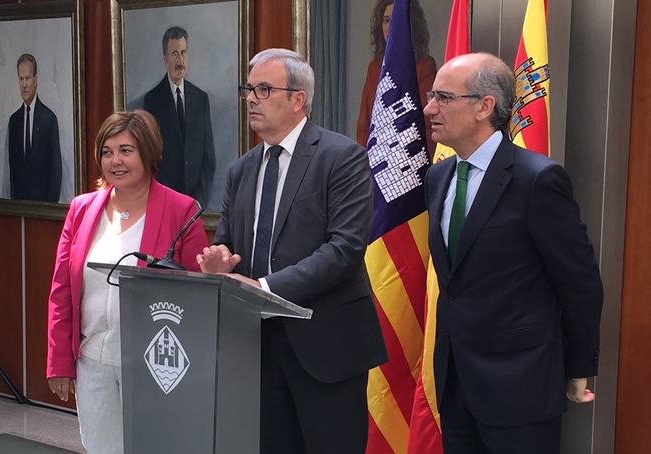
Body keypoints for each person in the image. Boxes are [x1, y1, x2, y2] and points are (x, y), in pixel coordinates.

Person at [197, 48, 388, 454]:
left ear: (298, 99)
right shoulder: (241, 169)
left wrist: (263, 287)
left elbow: (345, 249)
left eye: (264, 89)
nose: (251, 98)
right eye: (249, 88)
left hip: (326, 349)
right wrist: (219, 259)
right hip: (257, 349)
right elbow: (229, 242)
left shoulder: (341, 158)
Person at [423, 52, 604, 453]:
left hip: (520, 387)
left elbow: (580, 284)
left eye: (443, 97)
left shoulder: (538, 179)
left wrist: (578, 368)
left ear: (484, 107)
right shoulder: (438, 176)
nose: (429, 107)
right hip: (455, 383)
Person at [46, 110, 209, 454]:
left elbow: (200, 294)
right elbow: (62, 289)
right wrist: (59, 360)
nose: (115, 161)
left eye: (125, 150)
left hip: (156, 364)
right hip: (92, 360)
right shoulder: (81, 209)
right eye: (107, 151)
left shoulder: (182, 211)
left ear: (148, 154)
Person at [143, 26, 216, 206]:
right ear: (165, 60)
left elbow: (208, 157)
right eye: (175, 54)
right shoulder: (152, 100)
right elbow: (149, 157)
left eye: (183, 53)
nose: (180, 60)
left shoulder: (201, 99)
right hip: (164, 202)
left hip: (196, 204)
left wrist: (198, 202)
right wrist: (166, 200)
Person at [357, 0, 437, 155]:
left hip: (411, 159)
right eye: (386, 20)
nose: (391, 26)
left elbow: (427, 124)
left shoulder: (424, 65)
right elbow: (364, 124)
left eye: (396, 19)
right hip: (376, 159)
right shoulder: (374, 67)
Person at [7, 53, 62, 202]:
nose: (24, 84)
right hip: (20, 208)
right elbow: (13, 171)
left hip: (44, 206)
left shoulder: (49, 119)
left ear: (35, 80)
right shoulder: (14, 121)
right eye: (21, 79)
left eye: (28, 78)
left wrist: (49, 208)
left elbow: (56, 170)